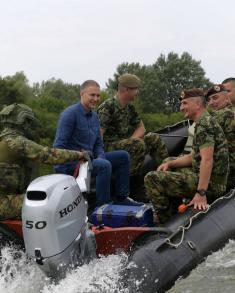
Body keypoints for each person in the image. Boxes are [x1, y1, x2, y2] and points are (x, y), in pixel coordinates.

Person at [144, 88, 229, 223]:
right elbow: (194, 156)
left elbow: (207, 160)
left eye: (184, 103)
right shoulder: (203, 121)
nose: (181, 108)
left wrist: (201, 193)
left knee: (152, 178)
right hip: (205, 177)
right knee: (169, 163)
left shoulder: (204, 125)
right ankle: (174, 210)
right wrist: (170, 163)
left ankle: (165, 222)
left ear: (197, 104)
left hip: (213, 185)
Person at [53, 80, 142, 206]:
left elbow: (98, 145)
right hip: (73, 164)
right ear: (82, 94)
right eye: (92, 95)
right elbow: (58, 147)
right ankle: (102, 208)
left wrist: (100, 157)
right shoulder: (69, 115)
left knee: (123, 156)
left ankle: (122, 198)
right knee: (104, 165)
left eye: (98, 95)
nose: (96, 99)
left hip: (91, 160)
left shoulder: (94, 117)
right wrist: (63, 177)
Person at [0, 103, 89, 219]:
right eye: (29, 122)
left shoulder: (4, 140)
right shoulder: (16, 142)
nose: (30, 127)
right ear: (23, 122)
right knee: (49, 199)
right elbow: (50, 155)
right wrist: (79, 155)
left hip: (6, 200)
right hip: (3, 204)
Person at [97, 73, 168, 175]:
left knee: (153, 138)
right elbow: (99, 135)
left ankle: (165, 173)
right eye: (135, 89)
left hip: (125, 143)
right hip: (109, 147)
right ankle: (130, 179)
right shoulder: (108, 107)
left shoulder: (129, 107)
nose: (137, 92)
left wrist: (131, 141)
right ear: (126, 90)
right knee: (137, 144)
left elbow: (141, 128)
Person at [206, 84, 235, 190]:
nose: (211, 103)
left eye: (215, 98)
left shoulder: (221, 115)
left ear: (227, 98)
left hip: (226, 174)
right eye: (209, 100)